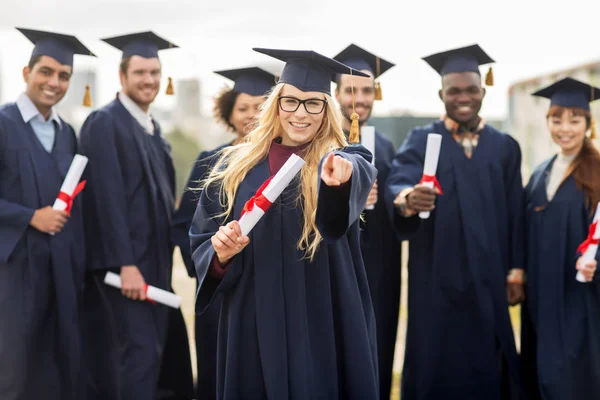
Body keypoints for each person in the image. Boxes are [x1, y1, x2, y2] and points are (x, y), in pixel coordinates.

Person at [190, 48, 379, 399]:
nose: (300, 113)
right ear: (276, 103)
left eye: (313, 103)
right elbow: (202, 242)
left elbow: (360, 167)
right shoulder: (234, 169)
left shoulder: (338, 159)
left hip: (321, 316)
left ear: (327, 109)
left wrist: (341, 175)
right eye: (290, 101)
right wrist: (220, 254)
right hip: (254, 318)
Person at [385, 44, 526, 399]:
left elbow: (514, 212)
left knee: (488, 358)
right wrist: (407, 199)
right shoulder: (422, 140)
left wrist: (515, 271)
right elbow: (398, 181)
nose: (463, 97)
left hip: (489, 275)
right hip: (436, 277)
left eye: (471, 90)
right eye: (454, 91)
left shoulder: (504, 146)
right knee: (438, 360)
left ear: (483, 91)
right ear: (441, 94)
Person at [78, 31, 192, 400]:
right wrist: (124, 264)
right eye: (140, 72)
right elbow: (105, 200)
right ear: (122, 75)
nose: (149, 80)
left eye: (155, 72)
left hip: (153, 266)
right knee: (135, 357)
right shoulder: (105, 123)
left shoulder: (152, 128)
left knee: (150, 357)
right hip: (125, 272)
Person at [172, 66, 276, 399]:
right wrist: (209, 265)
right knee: (220, 373)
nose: (251, 116)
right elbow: (183, 224)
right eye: (243, 108)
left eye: (260, 107)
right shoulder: (210, 161)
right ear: (229, 113)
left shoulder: (285, 163)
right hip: (220, 290)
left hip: (268, 285)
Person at [0, 27, 93, 400]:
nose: (54, 82)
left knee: (57, 366)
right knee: (14, 370)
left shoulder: (67, 132)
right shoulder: (3, 124)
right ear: (27, 72)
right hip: (14, 273)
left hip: (60, 270)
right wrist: (28, 216)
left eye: (64, 75)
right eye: (46, 71)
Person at [521, 77, 600, 400]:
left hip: (581, 299)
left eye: (574, 119)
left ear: (588, 123)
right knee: (542, 376)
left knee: (574, 379)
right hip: (541, 297)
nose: (564, 128)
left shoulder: (597, 171)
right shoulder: (542, 170)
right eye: (556, 119)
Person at [333, 43, 401, 400]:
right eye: (350, 90)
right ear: (336, 93)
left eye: (365, 90)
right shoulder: (320, 144)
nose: (358, 99)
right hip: (333, 270)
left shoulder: (387, 148)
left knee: (378, 352)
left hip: (379, 273)